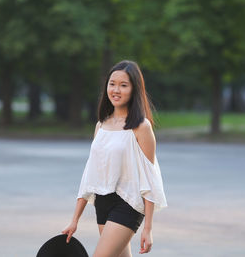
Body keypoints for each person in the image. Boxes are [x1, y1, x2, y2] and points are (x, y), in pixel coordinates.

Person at [62, 60, 167, 257]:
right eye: (112, 84)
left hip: (128, 204)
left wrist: (148, 228)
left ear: (134, 89)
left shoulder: (141, 127)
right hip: (103, 202)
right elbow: (90, 174)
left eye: (123, 85)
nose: (116, 90)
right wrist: (75, 219)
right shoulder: (101, 126)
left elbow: (150, 178)